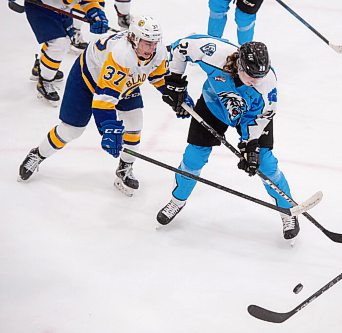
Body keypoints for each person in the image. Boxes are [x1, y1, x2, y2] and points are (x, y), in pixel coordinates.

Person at [18, 15, 189, 197]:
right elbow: (103, 102)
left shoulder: (158, 51)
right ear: (134, 39)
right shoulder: (122, 55)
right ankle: (38, 154)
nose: (152, 48)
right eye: (148, 43)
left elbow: (157, 75)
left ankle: (125, 168)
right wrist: (108, 129)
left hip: (124, 81)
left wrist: (175, 96)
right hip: (88, 78)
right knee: (71, 130)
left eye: (155, 42)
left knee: (134, 124)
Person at [159, 35, 300, 240]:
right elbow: (181, 48)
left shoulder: (267, 83)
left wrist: (249, 145)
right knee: (194, 156)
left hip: (250, 118)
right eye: (251, 76)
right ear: (240, 66)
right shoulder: (214, 53)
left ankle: (288, 211)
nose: (256, 82)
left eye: (260, 76)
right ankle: (177, 201)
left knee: (265, 163)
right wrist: (175, 81)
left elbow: (263, 116)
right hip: (213, 106)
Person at [24, 0, 109, 105]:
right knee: (59, 43)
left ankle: (41, 66)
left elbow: (87, 2)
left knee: (60, 41)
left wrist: (97, 14)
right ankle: (45, 80)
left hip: (63, 11)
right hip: (41, 8)